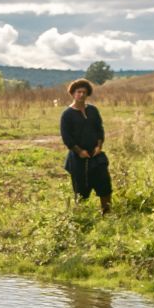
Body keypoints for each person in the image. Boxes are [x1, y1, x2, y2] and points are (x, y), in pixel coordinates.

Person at [59, 78, 111, 214]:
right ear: (73, 93)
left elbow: (100, 130)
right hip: (78, 158)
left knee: (104, 184)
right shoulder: (67, 115)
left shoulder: (93, 110)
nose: (81, 94)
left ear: (88, 94)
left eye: (84, 92)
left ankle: (106, 213)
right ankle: (81, 216)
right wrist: (79, 151)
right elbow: (66, 138)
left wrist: (98, 146)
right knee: (80, 190)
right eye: (78, 92)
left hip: (96, 155)